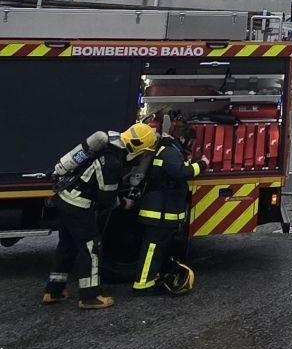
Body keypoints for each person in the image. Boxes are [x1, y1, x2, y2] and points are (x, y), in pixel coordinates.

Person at [43, 128, 130, 307]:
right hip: (79, 207)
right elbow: (107, 198)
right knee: (91, 249)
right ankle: (90, 296)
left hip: (64, 199)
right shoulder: (112, 163)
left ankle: (53, 291)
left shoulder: (96, 153)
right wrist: (124, 204)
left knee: (66, 246)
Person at [128, 122, 204, 293]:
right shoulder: (170, 151)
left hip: (160, 211)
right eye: (190, 142)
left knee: (157, 247)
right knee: (152, 248)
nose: (191, 146)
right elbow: (180, 173)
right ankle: (143, 284)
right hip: (157, 212)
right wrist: (202, 164)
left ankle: (151, 278)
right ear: (183, 138)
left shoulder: (169, 150)